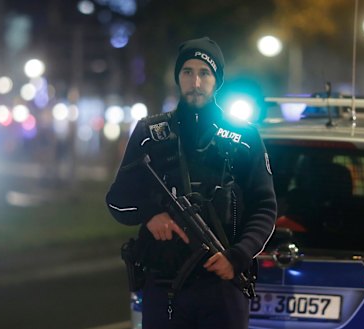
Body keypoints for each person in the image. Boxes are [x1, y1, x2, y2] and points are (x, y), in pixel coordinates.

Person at [105, 36, 277, 329]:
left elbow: (265, 208)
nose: (195, 81)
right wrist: (150, 215)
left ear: (216, 80)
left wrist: (237, 256)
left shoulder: (244, 137)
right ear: (178, 77)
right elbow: (117, 200)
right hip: (165, 286)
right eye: (187, 72)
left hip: (223, 284)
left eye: (204, 73)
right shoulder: (150, 132)